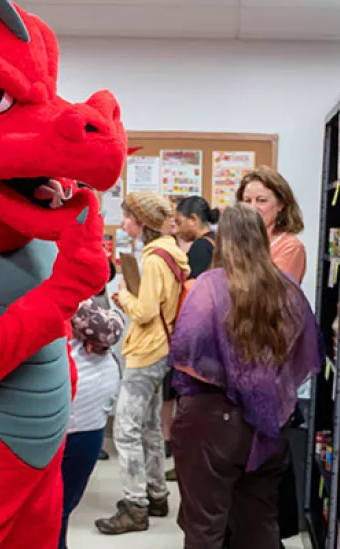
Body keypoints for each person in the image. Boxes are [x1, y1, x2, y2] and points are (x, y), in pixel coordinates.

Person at [169, 204, 323, 549]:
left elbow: (185, 352)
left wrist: (227, 371)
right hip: (268, 421)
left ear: (223, 241)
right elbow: (303, 352)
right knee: (259, 523)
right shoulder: (286, 288)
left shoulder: (208, 287)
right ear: (261, 238)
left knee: (205, 526)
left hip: (209, 421)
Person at [97, 191, 189, 535]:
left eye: (127, 218)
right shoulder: (171, 254)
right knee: (149, 425)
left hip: (146, 351)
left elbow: (146, 312)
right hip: (162, 350)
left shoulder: (152, 260)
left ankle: (135, 506)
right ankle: (157, 493)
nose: (123, 223)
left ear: (142, 222)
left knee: (125, 430)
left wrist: (122, 297)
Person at [162, 195, 220, 482]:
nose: (178, 225)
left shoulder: (200, 247)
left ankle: (187, 463)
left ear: (195, 220)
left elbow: (194, 293)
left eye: (181, 220)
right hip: (213, 336)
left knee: (188, 401)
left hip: (197, 336)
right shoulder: (217, 243)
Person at [61, 285, 124, 549]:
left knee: (60, 507)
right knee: (54, 508)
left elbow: (107, 329)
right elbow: (109, 328)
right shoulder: (52, 288)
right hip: (71, 419)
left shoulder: (73, 296)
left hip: (82, 417)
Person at [237, 166, 307, 284]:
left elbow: (273, 295)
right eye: (247, 201)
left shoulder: (290, 247)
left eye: (262, 200)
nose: (253, 208)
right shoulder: (239, 241)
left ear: (280, 204)